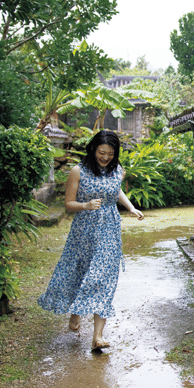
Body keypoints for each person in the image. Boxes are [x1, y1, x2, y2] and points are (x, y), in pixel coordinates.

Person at [37, 130, 143, 351]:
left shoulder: (118, 170)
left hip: (110, 230)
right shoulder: (78, 171)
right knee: (82, 272)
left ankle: (97, 337)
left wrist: (131, 207)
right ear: (93, 149)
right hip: (84, 231)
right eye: (102, 152)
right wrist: (85, 205)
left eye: (110, 153)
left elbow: (116, 192)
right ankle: (76, 313)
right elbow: (68, 203)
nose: (106, 157)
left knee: (103, 278)